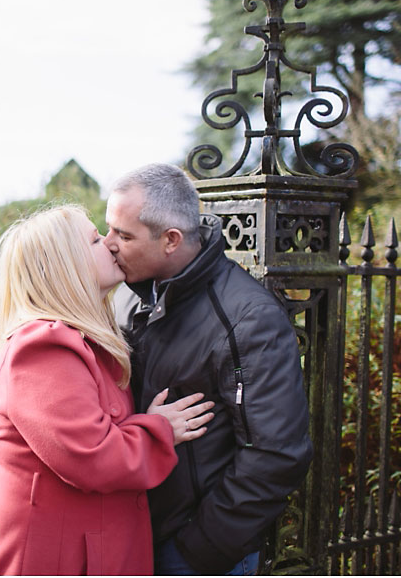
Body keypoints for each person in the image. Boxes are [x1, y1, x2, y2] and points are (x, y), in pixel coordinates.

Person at [0, 204, 215, 576]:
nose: (112, 244)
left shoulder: (79, 339)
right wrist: (160, 429)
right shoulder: (42, 349)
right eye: (96, 239)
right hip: (51, 559)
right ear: (68, 264)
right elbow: (93, 455)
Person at [105, 163, 314, 575]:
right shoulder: (125, 298)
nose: (108, 243)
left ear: (171, 240)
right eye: (109, 229)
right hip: (131, 533)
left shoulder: (247, 317)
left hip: (194, 552)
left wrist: (198, 549)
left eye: (123, 235)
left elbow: (277, 453)